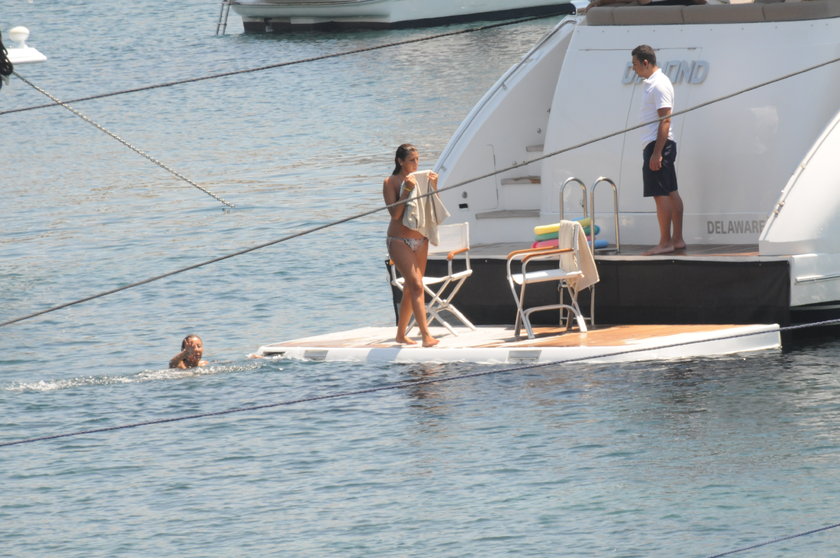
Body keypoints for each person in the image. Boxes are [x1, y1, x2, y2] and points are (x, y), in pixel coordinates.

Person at [383, 144, 440, 347]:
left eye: (417, 159)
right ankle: (426, 335)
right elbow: (395, 215)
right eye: (411, 160)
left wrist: (433, 186)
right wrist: (406, 190)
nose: (416, 163)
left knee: (410, 287)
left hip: (421, 239)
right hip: (399, 240)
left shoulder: (421, 178)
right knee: (416, 285)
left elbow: (432, 206)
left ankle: (401, 335)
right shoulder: (390, 182)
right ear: (400, 161)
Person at [631, 44, 686, 255]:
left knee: (660, 194)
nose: (634, 69)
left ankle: (665, 242)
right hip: (659, 144)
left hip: (658, 144)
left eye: (635, 64)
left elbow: (665, 120)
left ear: (645, 62)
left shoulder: (659, 84)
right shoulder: (653, 83)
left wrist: (657, 153)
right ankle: (677, 240)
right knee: (671, 191)